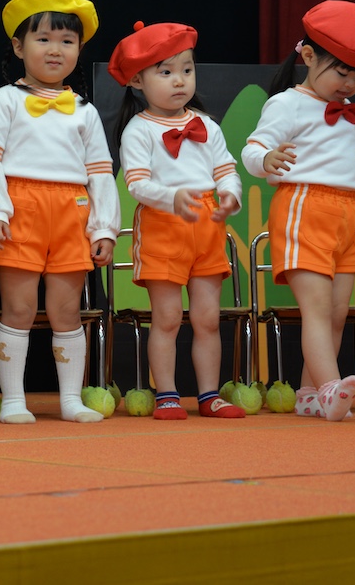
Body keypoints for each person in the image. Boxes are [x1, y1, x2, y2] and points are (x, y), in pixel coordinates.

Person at [241, 0, 355, 421]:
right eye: (342, 71)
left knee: (338, 314)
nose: (351, 83)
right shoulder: (287, 103)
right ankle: (330, 389)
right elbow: (252, 150)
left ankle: (309, 395)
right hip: (304, 207)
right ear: (308, 56)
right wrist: (266, 159)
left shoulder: (351, 118)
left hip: (346, 214)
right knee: (318, 310)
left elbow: (352, 168)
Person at [0, 0, 119, 424]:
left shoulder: (84, 110)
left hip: (72, 212)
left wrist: (104, 227)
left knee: (66, 311)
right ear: (19, 47)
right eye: (43, 39)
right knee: (18, 309)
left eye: (67, 41)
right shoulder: (4, 100)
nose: (55, 49)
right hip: (19, 210)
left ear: (79, 50)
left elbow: (101, 172)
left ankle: (70, 400)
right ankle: (13, 400)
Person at [107, 21, 245, 420]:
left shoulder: (207, 125)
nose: (179, 80)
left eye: (187, 69)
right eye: (165, 72)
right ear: (137, 80)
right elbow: (137, 184)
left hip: (208, 225)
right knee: (166, 318)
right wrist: (172, 197)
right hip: (162, 226)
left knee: (208, 319)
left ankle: (209, 395)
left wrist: (230, 196)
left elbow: (227, 170)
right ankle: (166, 393)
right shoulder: (139, 129)